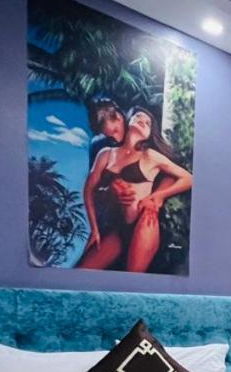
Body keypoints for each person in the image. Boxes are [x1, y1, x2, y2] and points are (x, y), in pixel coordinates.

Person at [79, 106, 192, 273]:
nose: (143, 121)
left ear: (149, 134)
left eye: (148, 123)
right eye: (139, 116)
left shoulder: (150, 155)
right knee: (83, 271)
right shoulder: (106, 154)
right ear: (128, 120)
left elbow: (188, 178)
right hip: (117, 229)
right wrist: (94, 229)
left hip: (144, 222)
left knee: (133, 276)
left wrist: (159, 196)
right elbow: (89, 190)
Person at [87, 97, 126, 166]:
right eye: (110, 137)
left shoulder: (138, 125)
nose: (118, 139)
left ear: (118, 117)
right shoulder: (97, 145)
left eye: (115, 131)